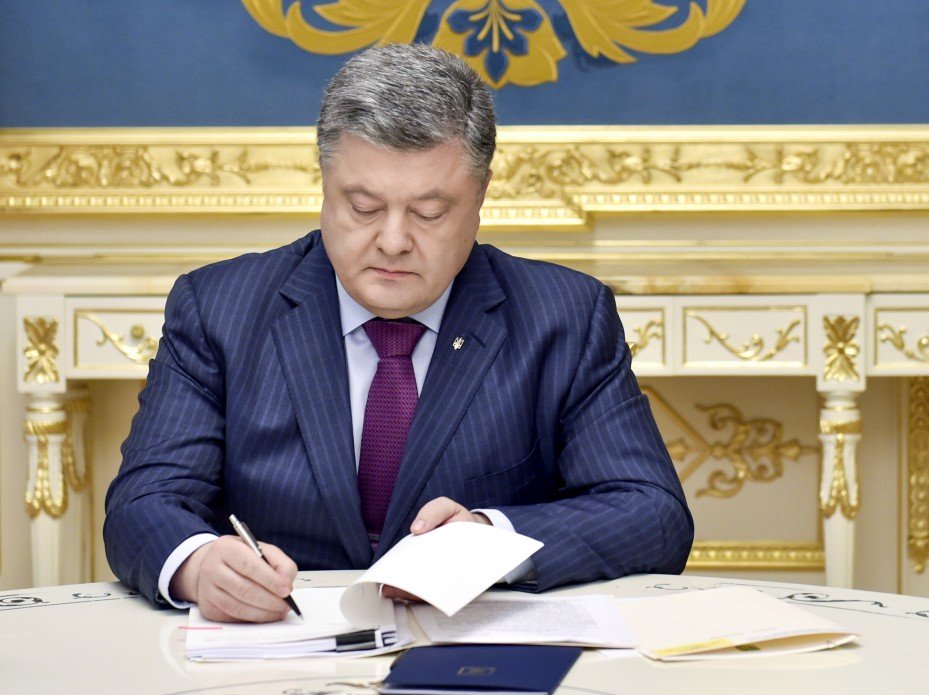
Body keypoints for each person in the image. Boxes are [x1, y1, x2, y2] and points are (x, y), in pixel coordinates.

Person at [104, 44, 693, 623]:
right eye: (363, 207)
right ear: (325, 182)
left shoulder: (563, 316)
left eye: (429, 213)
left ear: (482, 194)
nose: (392, 242)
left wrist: (491, 538)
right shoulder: (220, 309)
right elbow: (143, 502)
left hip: (475, 652)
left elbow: (652, 514)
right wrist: (198, 564)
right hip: (278, 644)